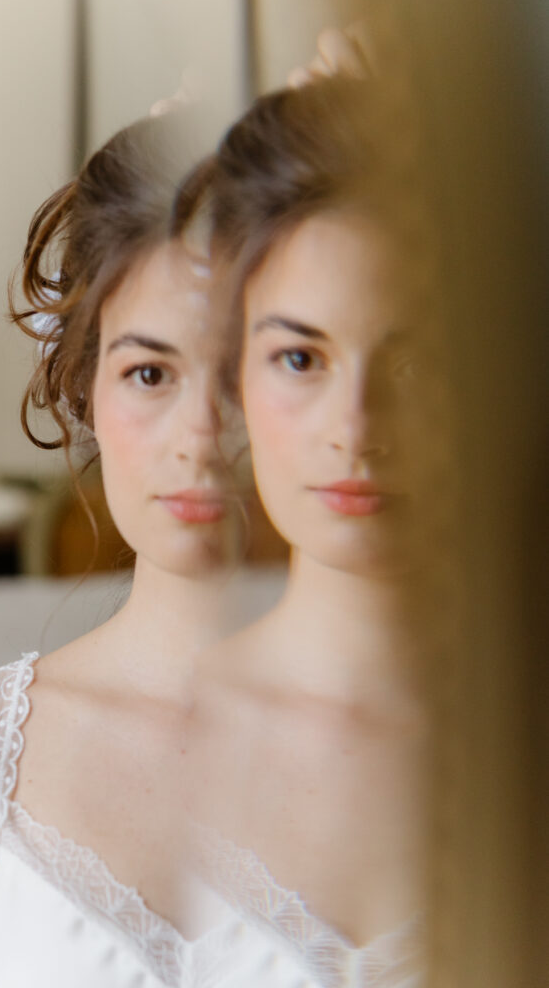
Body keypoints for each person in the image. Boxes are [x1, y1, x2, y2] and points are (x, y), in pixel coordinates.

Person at [0, 110, 284, 988]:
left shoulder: (457, 752)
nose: (200, 434)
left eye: (249, 364)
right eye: (149, 373)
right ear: (84, 389)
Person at [187, 75, 437, 987]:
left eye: (416, 363)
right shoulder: (104, 745)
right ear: (235, 378)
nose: (356, 426)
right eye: (300, 357)